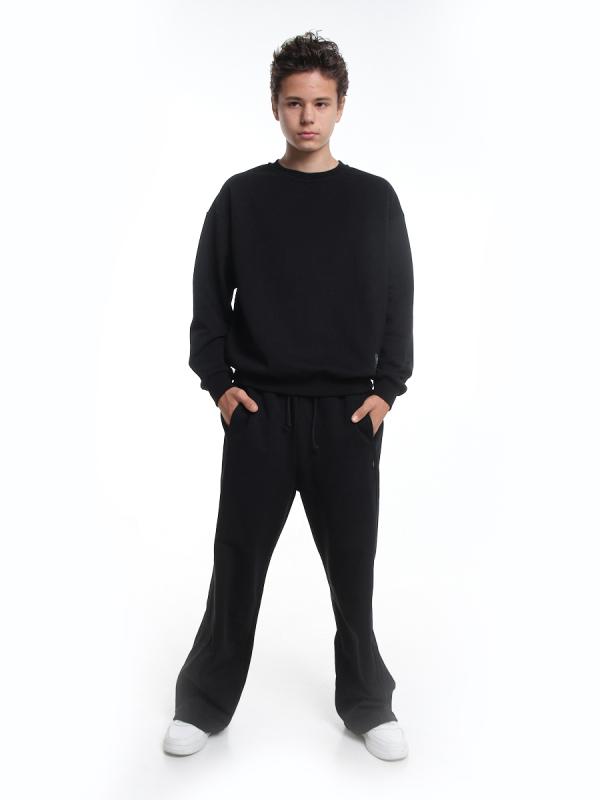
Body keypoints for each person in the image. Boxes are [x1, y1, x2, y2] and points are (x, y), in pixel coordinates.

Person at [163, 30, 414, 762]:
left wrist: (387, 389)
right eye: (295, 103)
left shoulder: (374, 199)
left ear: (340, 107)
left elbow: (399, 298)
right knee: (237, 562)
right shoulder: (242, 197)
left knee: (353, 569)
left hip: (347, 415)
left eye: (321, 103)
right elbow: (208, 299)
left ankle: (367, 702)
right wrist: (221, 386)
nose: (308, 116)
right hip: (261, 413)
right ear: (275, 106)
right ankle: (204, 702)